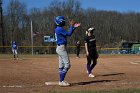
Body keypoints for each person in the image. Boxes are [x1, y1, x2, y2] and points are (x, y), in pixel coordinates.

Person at [54, 16, 81, 86]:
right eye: (63, 21)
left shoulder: (58, 28)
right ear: (60, 22)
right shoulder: (59, 29)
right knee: (67, 65)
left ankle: (61, 81)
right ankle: (61, 80)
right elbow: (69, 34)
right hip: (61, 48)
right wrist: (72, 26)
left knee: (61, 65)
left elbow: (68, 33)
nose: (64, 22)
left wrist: (73, 27)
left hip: (59, 48)